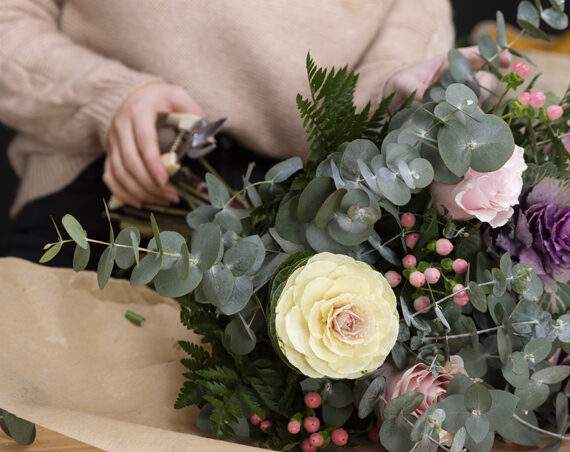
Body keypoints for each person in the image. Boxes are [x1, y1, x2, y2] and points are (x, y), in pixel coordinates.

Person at [0, 0, 501, 266]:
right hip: (104, 178)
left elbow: (388, 75)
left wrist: (395, 101)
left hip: (304, 213)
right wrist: (107, 97)